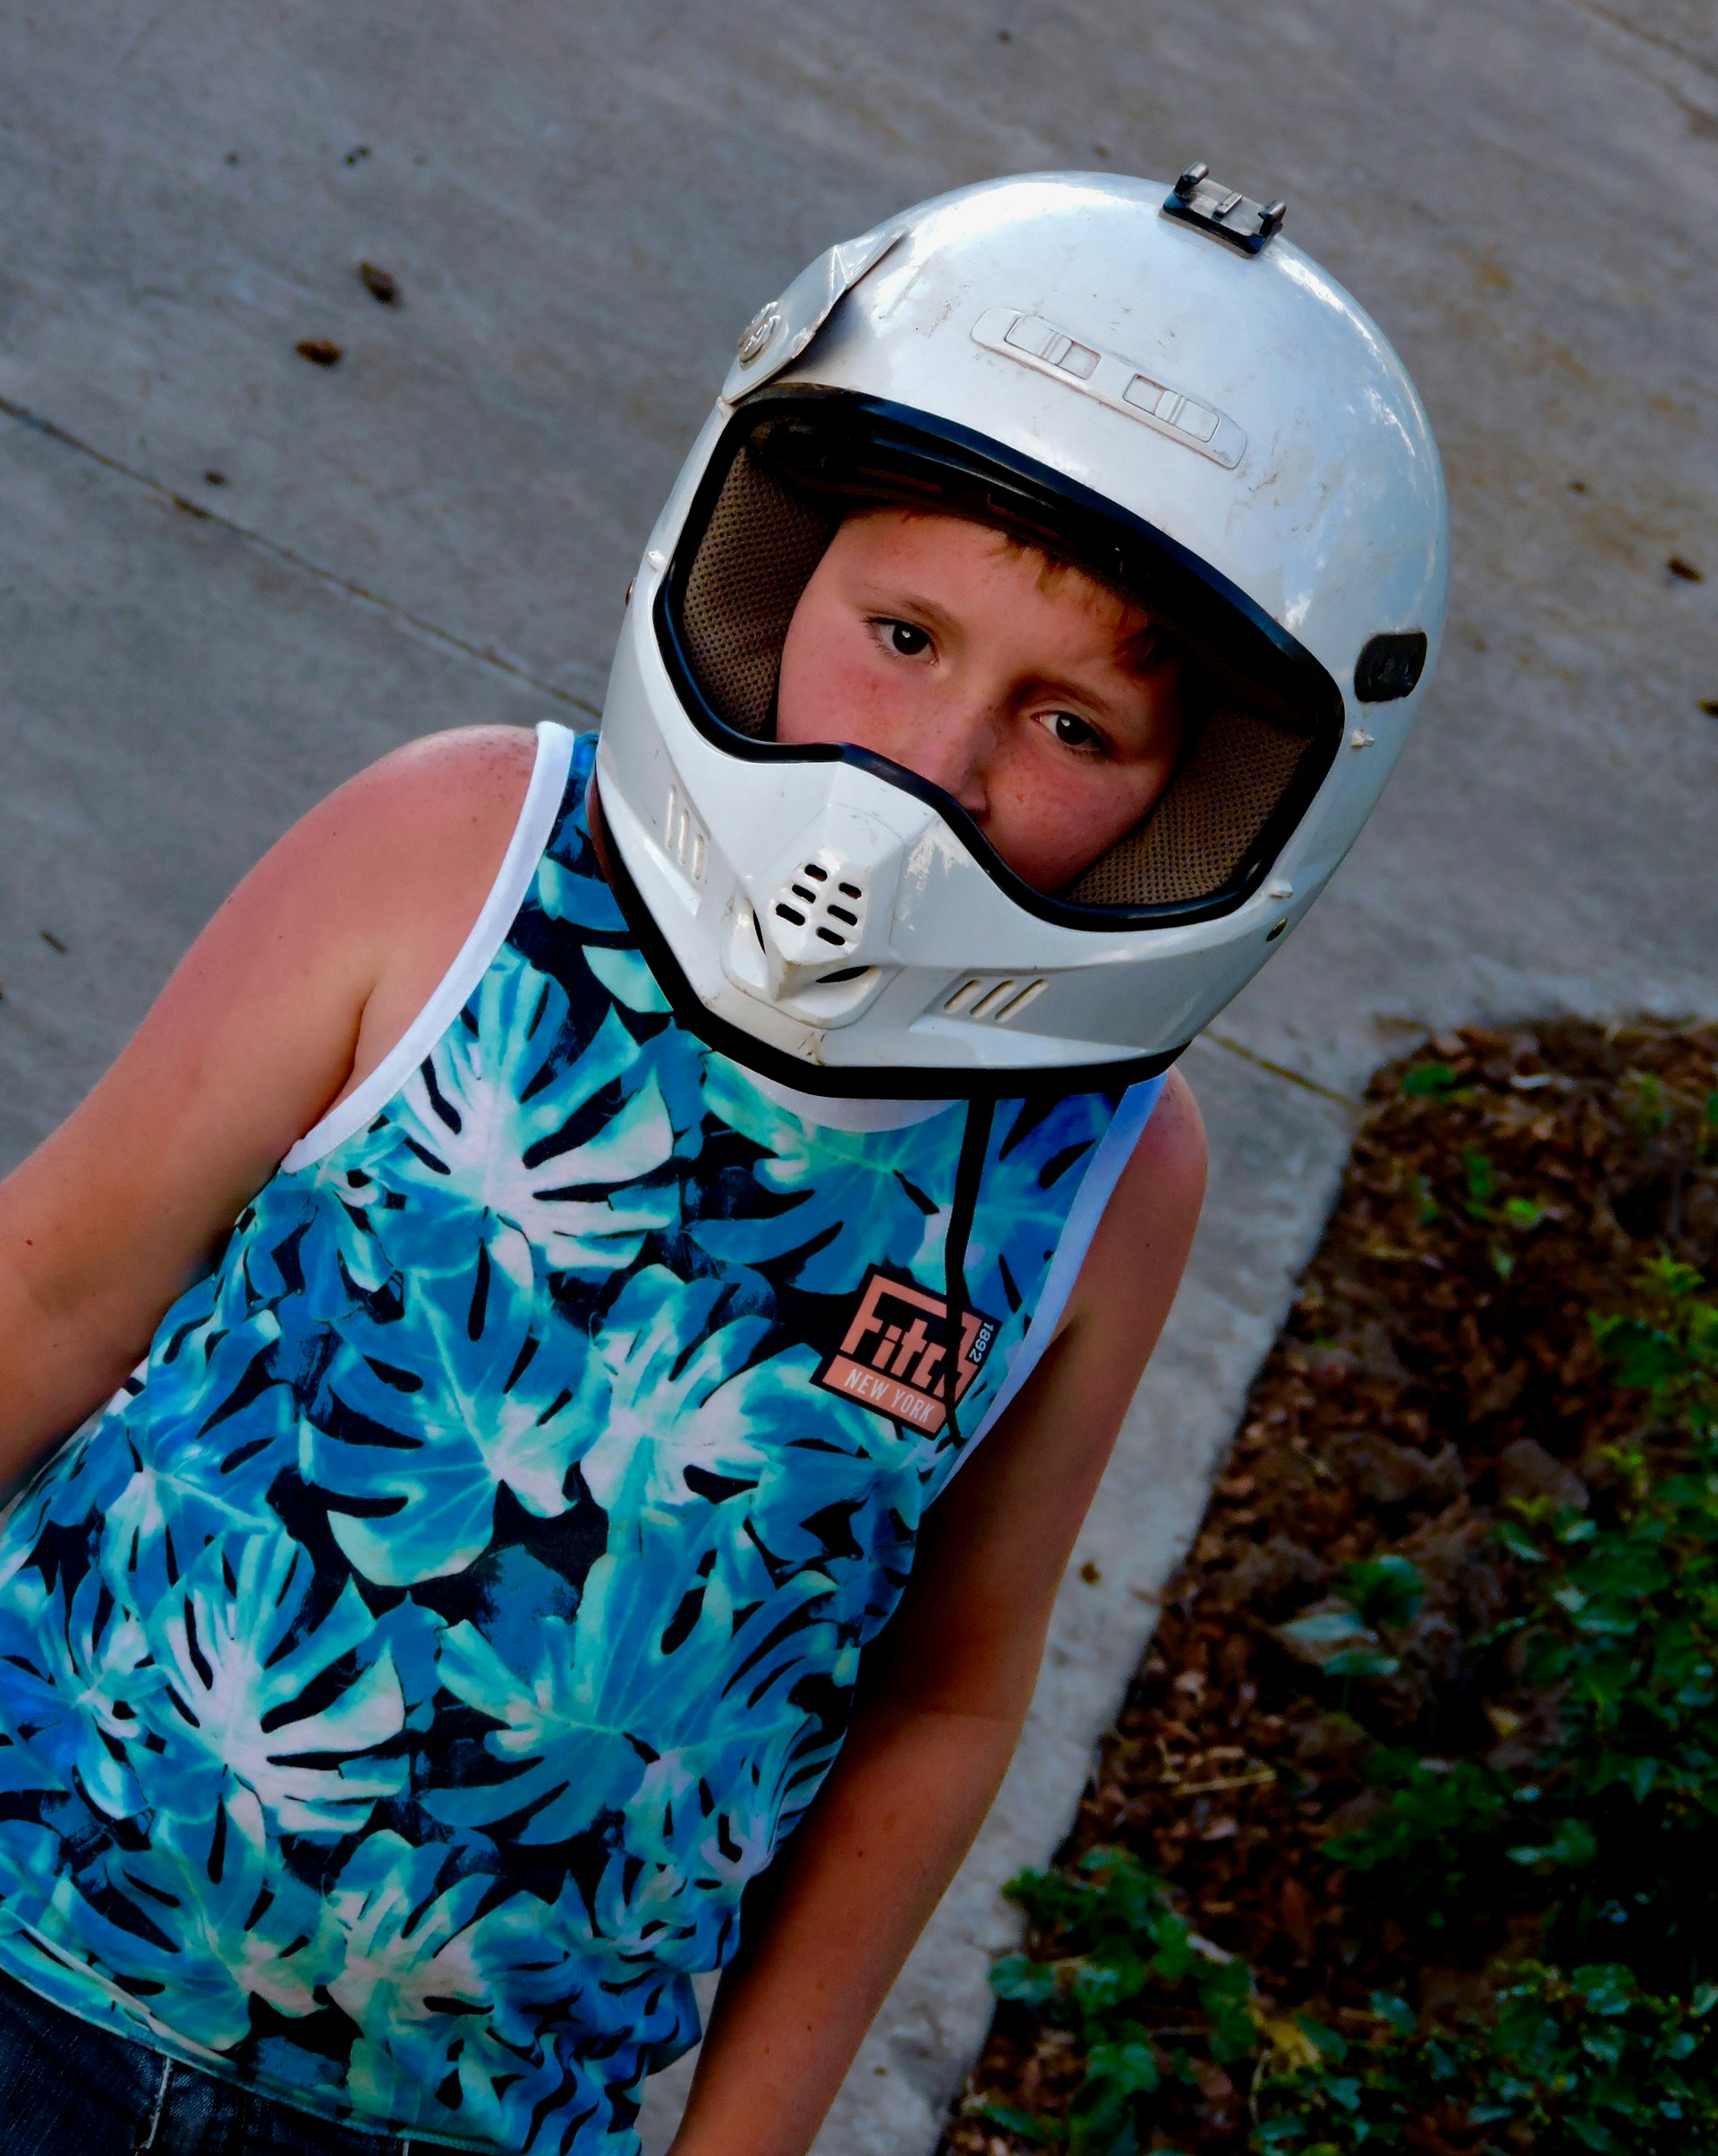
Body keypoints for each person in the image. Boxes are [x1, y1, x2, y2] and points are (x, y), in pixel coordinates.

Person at [0, 169, 1446, 2156]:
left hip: (477, 2128)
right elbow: (51, 1288)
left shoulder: (1107, 1175)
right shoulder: (459, 854)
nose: (930, 767)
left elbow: (943, 1698)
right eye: (904, 632)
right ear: (770, 562)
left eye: (1069, 724)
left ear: (1203, 804)